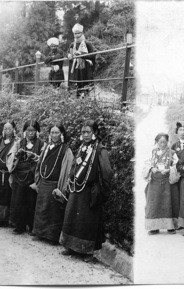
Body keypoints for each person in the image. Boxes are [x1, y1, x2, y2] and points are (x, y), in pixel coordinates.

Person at [60, 120, 112, 262]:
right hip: (77, 189)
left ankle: (87, 252)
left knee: (87, 222)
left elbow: (107, 172)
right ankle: (70, 246)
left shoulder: (101, 150)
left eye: (88, 132)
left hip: (89, 192)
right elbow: (75, 165)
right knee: (72, 217)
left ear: (95, 133)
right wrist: (71, 177)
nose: (86, 134)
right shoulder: (82, 147)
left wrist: (99, 189)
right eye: (83, 132)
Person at [32, 122, 73, 244]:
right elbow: (41, 163)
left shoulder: (66, 150)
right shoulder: (46, 147)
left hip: (55, 184)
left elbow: (67, 168)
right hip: (44, 182)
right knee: (41, 208)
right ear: (49, 134)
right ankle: (39, 233)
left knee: (53, 211)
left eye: (57, 132)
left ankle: (51, 237)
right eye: (52, 132)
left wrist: (62, 187)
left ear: (61, 134)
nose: (54, 135)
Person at [10, 120, 46, 235]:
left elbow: (43, 159)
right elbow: (11, 158)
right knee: (18, 200)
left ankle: (31, 226)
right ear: (25, 131)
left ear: (37, 132)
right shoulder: (19, 143)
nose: (31, 133)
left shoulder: (41, 144)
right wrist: (17, 154)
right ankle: (19, 225)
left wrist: (34, 156)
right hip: (19, 176)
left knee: (31, 202)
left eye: (33, 131)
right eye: (28, 130)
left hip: (32, 176)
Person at [144, 133, 176, 235]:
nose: (162, 144)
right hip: (154, 182)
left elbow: (176, 165)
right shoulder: (152, 152)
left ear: (167, 142)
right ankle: (154, 227)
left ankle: (169, 227)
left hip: (166, 181)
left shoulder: (172, 153)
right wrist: (151, 168)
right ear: (156, 142)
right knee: (154, 204)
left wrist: (169, 169)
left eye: (164, 142)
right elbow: (146, 164)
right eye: (160, 142)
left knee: (167, 203)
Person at [0, 120, 18, 227]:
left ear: (14, 129)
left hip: (9, 174)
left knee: (8, 196)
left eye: (9, 128)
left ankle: (7, 219)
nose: (7, 131)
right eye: (5, 128)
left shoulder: (16, 142)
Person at [170, 121, 184, 228]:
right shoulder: (174, 145)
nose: (182, 132)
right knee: (177, 197)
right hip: (177, 175)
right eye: (180, 130)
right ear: (177, 132)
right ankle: (178, 221)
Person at [67, 23, 96, 97]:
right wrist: (69, 55)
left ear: (82, 33)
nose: (76, 35)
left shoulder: (87, 44)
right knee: (76, 85)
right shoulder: (72, 44)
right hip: (75, 68)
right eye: (75, 33)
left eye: (78, 33)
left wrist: (81, 55)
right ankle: (77, 99)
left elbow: (93, 55)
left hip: (85, 68)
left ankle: (86, 99)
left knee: (85, 85)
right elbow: (68, 52)